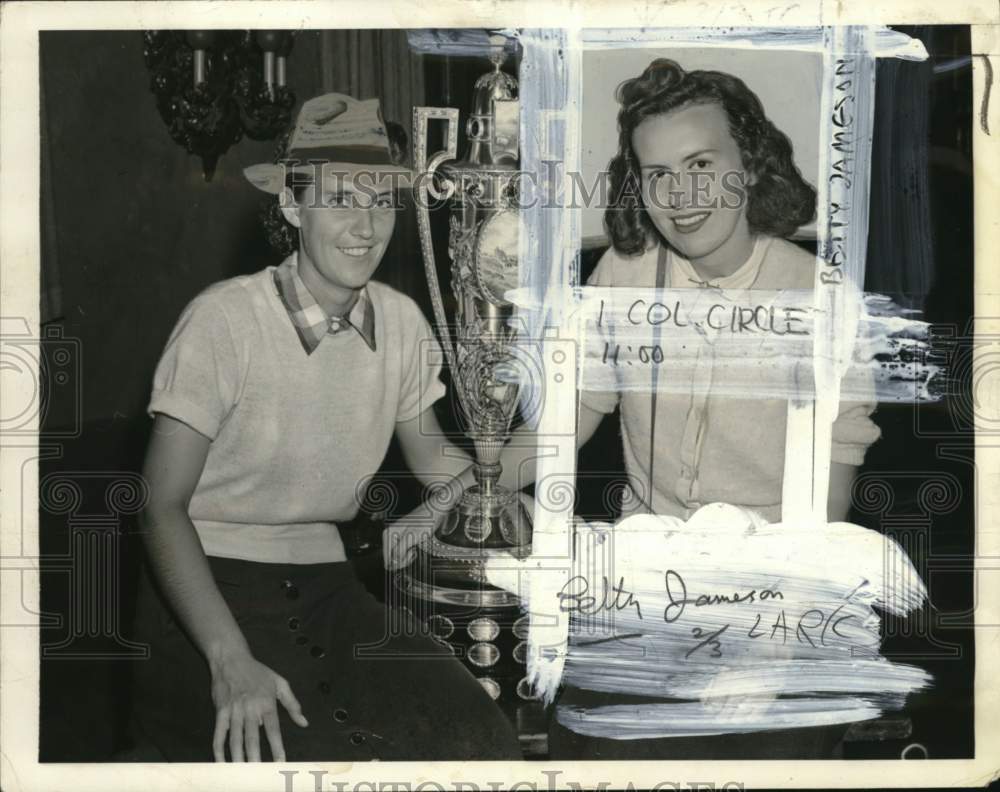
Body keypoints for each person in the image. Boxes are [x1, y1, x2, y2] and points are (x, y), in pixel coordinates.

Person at [131, 92, 521, 762]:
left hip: (331, 591)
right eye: (341, 199)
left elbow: (437, 464)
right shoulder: (222, 321)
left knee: (481, 741)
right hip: (206, 600)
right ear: (292, 206)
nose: (366, 226)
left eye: (380, 200)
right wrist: (229, 662)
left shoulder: (399, 322)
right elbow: (158, 506)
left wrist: (490, 502)